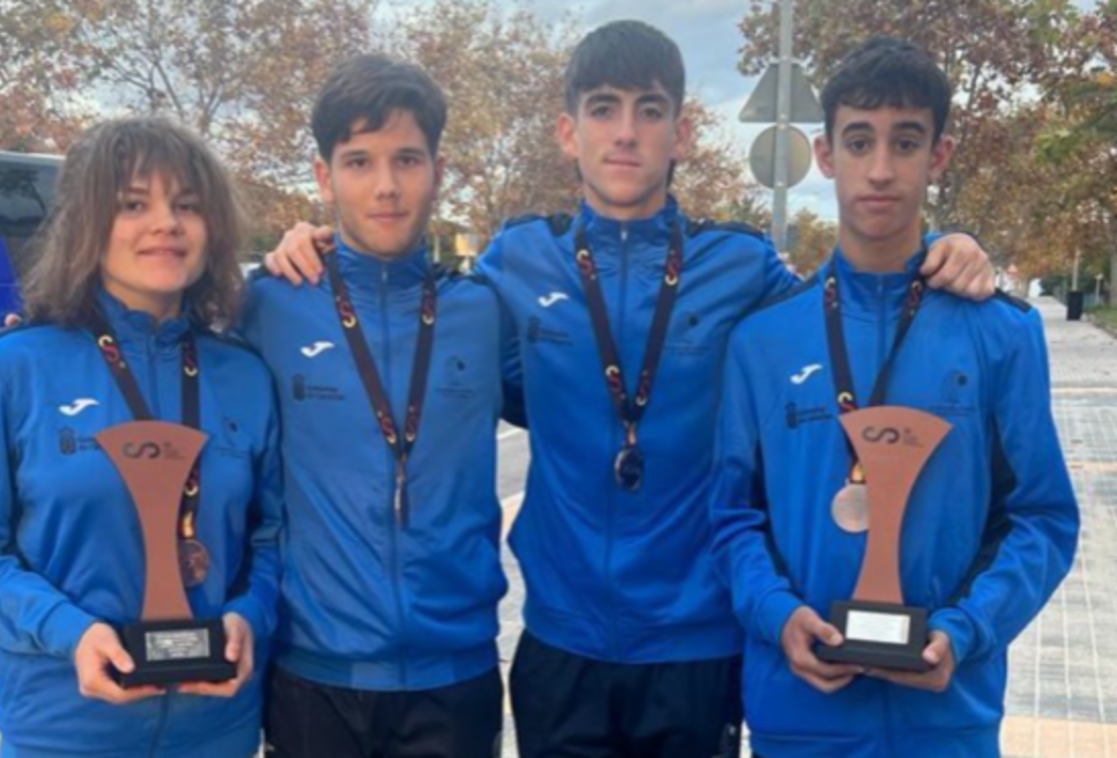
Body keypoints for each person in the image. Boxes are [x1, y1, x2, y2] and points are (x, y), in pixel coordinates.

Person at [266, 20, 995, 758]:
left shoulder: (739, 267)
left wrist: (944, 248)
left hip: (696, 644)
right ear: (566, 130)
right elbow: (402, 316)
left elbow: (844, 313)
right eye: (603, 108)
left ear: (680, 134)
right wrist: (305, 246)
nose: (625, 133)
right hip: (561, 641)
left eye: (648, 110)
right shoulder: (515, 262)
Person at [709, 37, 1079, 758]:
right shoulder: (762, 342)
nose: (879, 169)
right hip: (799, 716)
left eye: (904, 142)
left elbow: (1041, 519)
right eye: (858, 141)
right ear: (824, 154)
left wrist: (967, 630)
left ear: (937, 155)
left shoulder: (1000, 333)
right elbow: (730, 518)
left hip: (947, 723)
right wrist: (776, 615)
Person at [0, 117, 283, 758]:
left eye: (187, 206)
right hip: (62, 733)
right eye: (133, 204)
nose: (166, 223)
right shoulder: (10, 368)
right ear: (88, 221)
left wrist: (252, 615)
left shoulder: (245, 373)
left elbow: (276, 536)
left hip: (219, 733)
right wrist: (68, 631)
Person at [240, 54, 509, 758]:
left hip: (456, 675)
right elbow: (145, 336)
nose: (386, 186)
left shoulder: (483, 311)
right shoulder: (266, 304)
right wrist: (30, 334)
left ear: (437, 169)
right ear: (324, 177)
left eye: (407, 160)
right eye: (359, 162)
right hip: (313, 675)